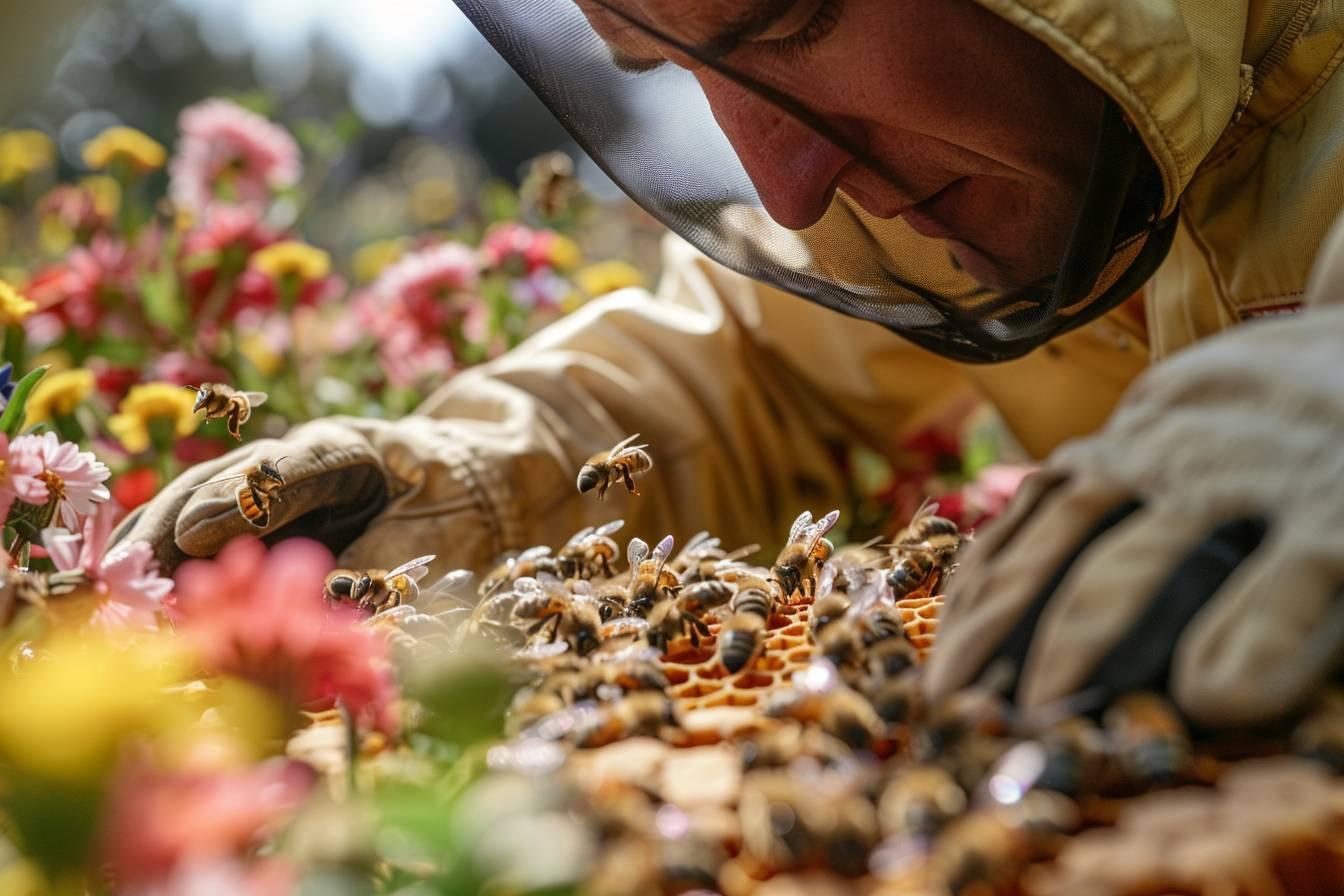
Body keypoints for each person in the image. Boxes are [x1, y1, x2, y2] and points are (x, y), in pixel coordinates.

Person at [120, 0, 1344, 730]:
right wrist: (472, 490)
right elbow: (746, 368)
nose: (783, 183)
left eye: (789, 22)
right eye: (687, 73)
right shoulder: (933, 169)